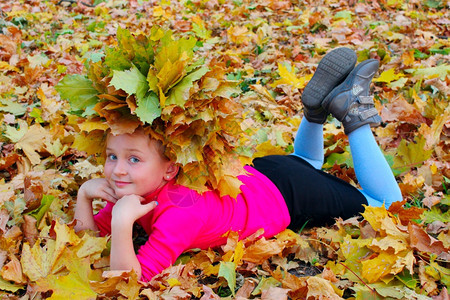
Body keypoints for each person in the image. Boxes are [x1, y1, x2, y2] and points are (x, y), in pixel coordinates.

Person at [73, 47, 403, 281]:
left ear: (170, 169)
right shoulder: (138, 183)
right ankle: (315, 113)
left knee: (389, 206)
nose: (117, 169)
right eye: (112, 156)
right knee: (307, 160)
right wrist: (85, 197)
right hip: (262, 171)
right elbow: (87, 240)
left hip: (290, 197)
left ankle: (354, 115)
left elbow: (130, 280)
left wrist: (120, 224)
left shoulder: (178, 214)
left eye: (133, 159)